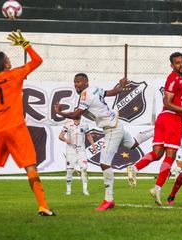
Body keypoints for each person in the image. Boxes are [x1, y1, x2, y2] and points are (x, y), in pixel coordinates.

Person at [0, 30, 55, 216]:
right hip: (16, 128)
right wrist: (25, 44)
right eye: (8, 59)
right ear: (7, 64)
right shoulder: (16, 74)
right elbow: (38, 61)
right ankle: (43, 205)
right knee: (30, 166)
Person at [54, 73, 153, 211]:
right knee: (133, 144)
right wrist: (121, 85)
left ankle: (108, 199)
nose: (76, 84)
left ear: (86, 82)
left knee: (104, 163)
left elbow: (76, 114)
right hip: (115, 123)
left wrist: (60, 113)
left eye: (79, 82)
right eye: (75, 82)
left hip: (111, 128)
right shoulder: (95, 89)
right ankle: (157, 129)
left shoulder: (85, 95)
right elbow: (113, 92)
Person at [127, 52, 182, 206]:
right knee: (170, 155)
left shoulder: (180, 79)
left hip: (165, 118)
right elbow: (167, 103)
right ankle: (157, 189)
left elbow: (175, 104)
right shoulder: (174, 79)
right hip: (170, 118)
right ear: (172, 66)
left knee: (158, 153)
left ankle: (135, 167)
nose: (181, 64)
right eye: (178, 63)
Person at [59, 116, 97, 196]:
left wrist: (93, 145)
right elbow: (60, 136)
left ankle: (85, 190)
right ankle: (68, 191)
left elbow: (88, 135)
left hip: (81, 151)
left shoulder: (84, 124)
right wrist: (66, 140)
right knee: (69, 171)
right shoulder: (68, 124)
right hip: (71, 151)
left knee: (84, 170)